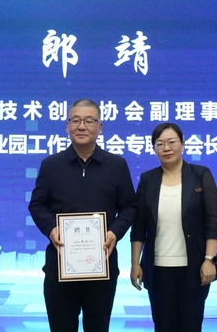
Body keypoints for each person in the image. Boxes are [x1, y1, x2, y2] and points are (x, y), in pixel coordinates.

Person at [28, 98, 137, 332]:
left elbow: (129, 206)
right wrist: (51, 229)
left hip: (102, 266)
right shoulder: (51, 165)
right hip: (60, 265)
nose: (81, 126)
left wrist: (114, 232)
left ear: (100, 127)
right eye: (76, 120)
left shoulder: (116, 165)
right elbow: (37, 205)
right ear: (67, 126)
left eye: (89, 121)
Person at [130, 122, 217, 332]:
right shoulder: (148, 179)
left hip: (195, 267)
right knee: (163, 325)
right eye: (160, 144)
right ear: (154, 148)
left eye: (172, 142)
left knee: (191, 325)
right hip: (158, 268)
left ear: (183, 144)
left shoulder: (200, 175)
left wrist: (209, 259)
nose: (166, 148)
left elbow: (213, 222)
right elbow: (139, 226)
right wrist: (135, 263)